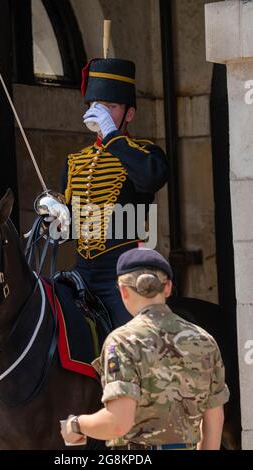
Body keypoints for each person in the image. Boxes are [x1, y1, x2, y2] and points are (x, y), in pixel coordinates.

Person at [60, 247, 230, 450]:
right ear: (167, 288)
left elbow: (117, 424)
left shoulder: (122, 341)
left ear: (123, 291)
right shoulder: (205, 340)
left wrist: (76, 425)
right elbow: (215, 419)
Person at [60, 58, 168, 328]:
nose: (103, 113)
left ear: (128, 114)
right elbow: (68, 232)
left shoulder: (145, 154)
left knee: (136, 341)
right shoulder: (76, 161)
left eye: (111, 107)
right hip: (81, 274)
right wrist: (56, 215)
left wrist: (111, 136)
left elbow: (151, 178)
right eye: (97, 106)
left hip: (123, 275)